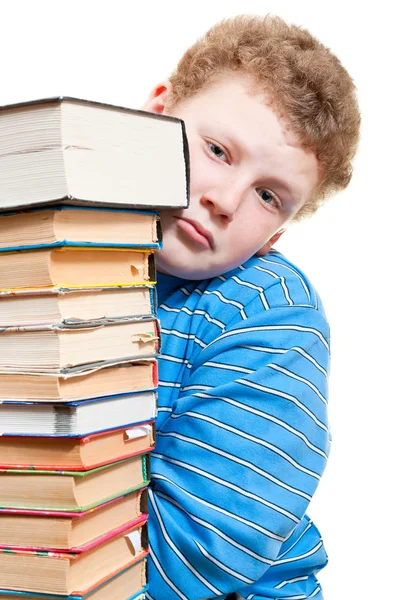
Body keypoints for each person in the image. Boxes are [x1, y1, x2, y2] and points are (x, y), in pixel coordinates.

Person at [141, 14, 360, 600]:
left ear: (274, 237)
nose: (223, 199)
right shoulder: (45, 251)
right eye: (216, 149)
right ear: (156, 115)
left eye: (269, 196)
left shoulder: (274, 316)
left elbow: (195, 557)